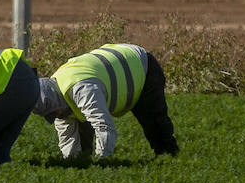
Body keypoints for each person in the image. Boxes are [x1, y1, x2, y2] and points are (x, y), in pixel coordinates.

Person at [33, 43, 178, 159]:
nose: (57, 116)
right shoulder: (56, 99)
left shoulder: (83, 89)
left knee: (154, 123)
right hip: (113, 63)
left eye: (55, 113)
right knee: (81, 140)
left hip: (140, 65)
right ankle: (84, 160)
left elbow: (104, 127)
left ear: (57, 103)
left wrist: (101, 162)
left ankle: (170, 157)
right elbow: (67, 137)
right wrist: (71, 163)